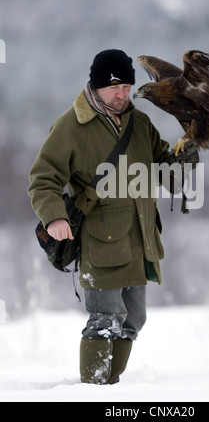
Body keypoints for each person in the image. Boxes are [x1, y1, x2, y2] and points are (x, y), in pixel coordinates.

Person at [28, 49, 198, 385]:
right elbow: (43, 178)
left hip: (139, 237)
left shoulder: (140, 123)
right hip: (98, 239)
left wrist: (187, 152)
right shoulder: (70, 126)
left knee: (134, 318)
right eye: (113, 87)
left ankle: (110, 385)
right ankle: (94, 389)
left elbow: (165, 170)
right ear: (96, 85)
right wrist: (54, 218)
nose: (121, 94)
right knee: (105, 317)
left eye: (126, 87)